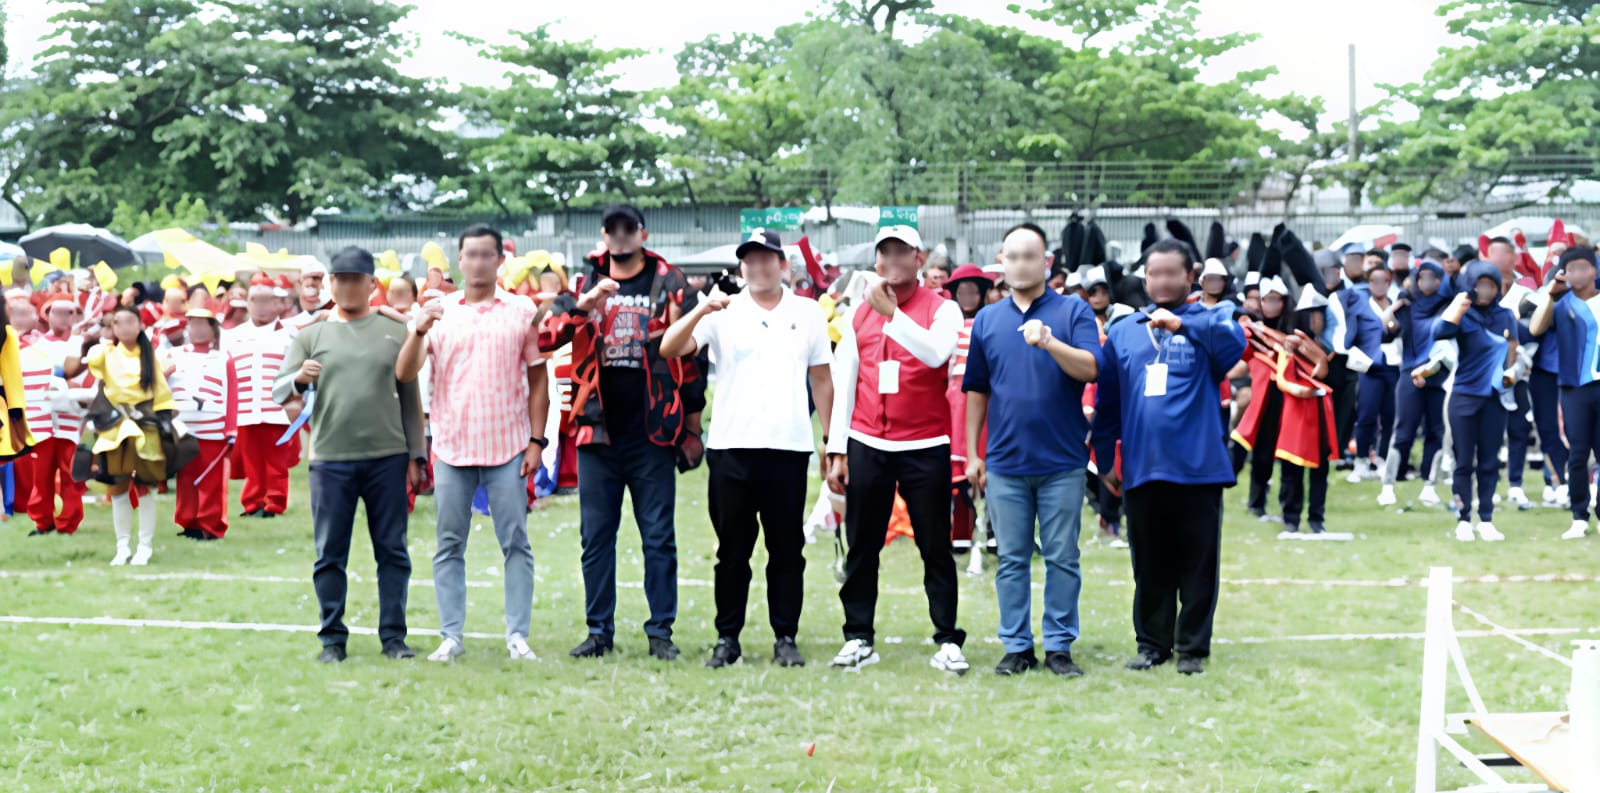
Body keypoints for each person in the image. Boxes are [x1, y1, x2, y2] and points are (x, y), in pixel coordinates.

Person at [659, 227, 833, 669]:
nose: (758, 267)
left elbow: (821, 378)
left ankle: (785, 636)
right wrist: (702, 308)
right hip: (731, 447)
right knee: (732, 552)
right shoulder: (723, 309)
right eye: (750, 260)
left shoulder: (807, 311)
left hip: (787, 447)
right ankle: (727, 637)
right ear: (742, 266)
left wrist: (831, 439)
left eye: (766, 259)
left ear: (782, 265)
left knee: (786, 550)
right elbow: (670, 347)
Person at [537, 204, 702, 661]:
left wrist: (692, 426)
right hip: (597, 431)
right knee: (596, 539)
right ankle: (598, 632)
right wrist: (583, 305)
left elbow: (693, 357)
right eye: (613, 229)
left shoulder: (670, 281)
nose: (621, 236)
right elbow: (546, 337)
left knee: (658, 538)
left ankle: (660, 633)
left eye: (629, 228)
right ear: (604, 235)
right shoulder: (584, 281)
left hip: (653, 432)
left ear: (643, 234)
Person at [395, 225, 550, 664]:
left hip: (508, 444)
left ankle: (517, 635)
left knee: (515, 542)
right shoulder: (438, 310)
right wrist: (418, 330)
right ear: (459, 261)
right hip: (452, 444)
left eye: (487, 255)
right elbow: (405, 373)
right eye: (471, 255)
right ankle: (451, 635)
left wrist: (536, 441)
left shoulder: (522, 310)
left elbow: (538, 379)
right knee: (449, 544)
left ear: (500, 260)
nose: (478, 263)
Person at [1091, 239, 1246, 676]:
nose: (1160, 281)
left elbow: (1232, 350)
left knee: (1198, 562)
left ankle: (1192, 647)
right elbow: (1108, 401)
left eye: (1170, 273)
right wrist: (1105, 458)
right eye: (1153, 273)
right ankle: (1152, 644)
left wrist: (1181, 325)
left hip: (1198, 466)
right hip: (1143, 465)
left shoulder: (1212, 319)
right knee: (1149, 562)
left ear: (1189, 276)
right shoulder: (1124, 330)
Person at [825, 224, 969, 674]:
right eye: (885, 253)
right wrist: (836, 448)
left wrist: (891, 313)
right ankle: (858, 636)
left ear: (919, 258)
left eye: (901, 252)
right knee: (862, 544)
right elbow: (846, 379)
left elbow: (935, 354)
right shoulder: (858, 312)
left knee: (934, 544)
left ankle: (947, 638)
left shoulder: (942, 308)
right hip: (868, 440)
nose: (892, 260)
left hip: (925, 442)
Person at [273, 247, 427, 664]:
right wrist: (298, 379)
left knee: (392, 550)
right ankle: (332, 639)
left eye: (354, 279)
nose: (346, 286)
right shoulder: (312, 334)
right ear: (330, 283)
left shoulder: (394, 330)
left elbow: (410, 395)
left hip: (388, 456)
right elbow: (278, 389)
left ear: (371, 284)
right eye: (338, 279)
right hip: (330, 459)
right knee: (329, 553)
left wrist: (417, 453)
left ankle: (394, 636)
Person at [962, 223, 1100, 676]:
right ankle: (1017, 645)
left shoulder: (1072, 311)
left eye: (1030, 256)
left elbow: (1091, 368)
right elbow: (977, 389)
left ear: (1047, 262)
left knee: (1062, 557)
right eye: (1013, 256)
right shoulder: (988, 320)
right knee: (1011, 559)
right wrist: (973, 452)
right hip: (1005, 462)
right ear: (1002, 261)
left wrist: (1050, 341)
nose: (1021, 264)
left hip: (1062, 460)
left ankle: (1059, 645)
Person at [75, 306, 181, 566]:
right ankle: (122, 546)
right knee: (118, 487)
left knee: (144, 487)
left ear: (140, 325)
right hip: (114, 427)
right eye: (117, 322)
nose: (123, 327)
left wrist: (166, 422)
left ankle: (144, 546)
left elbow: (162, 395)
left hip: (145, 426)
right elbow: (89, 358)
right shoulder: (105, 354)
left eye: (129, 321)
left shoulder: (151, 357)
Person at [1232, 278, 1337, 534]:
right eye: (1266, 300)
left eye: (1319, 314)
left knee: (1317, 463)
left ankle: (1316, 519)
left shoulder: (1315, 340)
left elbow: (1325, 373)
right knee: (1277, 456)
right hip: (1280, 400)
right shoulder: (1261, 332)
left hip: (1314, 404)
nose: (1315, 319)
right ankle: (1284, 515)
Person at [1433, 261, 1523, 542]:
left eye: (1490, 285)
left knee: (1489, 462)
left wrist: (1511, 374)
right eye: (1480, 284)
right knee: (1463, 462)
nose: (1485, 290)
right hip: (1464, 396)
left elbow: (1513, 350)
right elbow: (1439, 332)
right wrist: (1458, 306)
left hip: (1495, 398)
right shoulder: (1464, 313)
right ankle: (1463, 520)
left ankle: (1486, 519)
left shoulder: (1505, 316)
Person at [1529, 245, 1599, 539]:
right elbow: (1535, 329)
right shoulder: (1561, 304)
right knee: (1578, 454)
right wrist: (1550, 294)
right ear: (1564, 273)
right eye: (1571, 269)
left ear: (1594, 270)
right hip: (1574, 387)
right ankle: (1579, 516)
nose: (1578, 274)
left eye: (1583, 268)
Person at [1381, 258, 1455, 507]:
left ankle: (1429, 485)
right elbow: (1388, 330)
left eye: (1433, 277)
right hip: (1410, 373)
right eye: (1422, 277)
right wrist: (1393, 308)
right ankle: (1388, 485)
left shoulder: (1448, 304)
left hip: (1439, 374)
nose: (1427, 282)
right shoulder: (1408, 304)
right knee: (1403, 430)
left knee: (1436, 432)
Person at [223, 279, 297, 518]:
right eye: (255, 300)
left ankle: (274, 503)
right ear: (247, 302)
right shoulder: (232, 336)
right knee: (251, 461)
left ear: (276, 303)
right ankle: (253, 503)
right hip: (246, 408)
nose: (261, 306)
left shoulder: (289, 334)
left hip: (277, 409)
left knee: (276, 461)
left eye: (266, 300)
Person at [166, 308, 237, 540]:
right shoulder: (174, 355)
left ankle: (211, 525)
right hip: (182, 426)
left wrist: (231, 428)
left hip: (213, 426)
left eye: (202, 324)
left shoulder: (224, 358)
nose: (197, 329)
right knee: (186, 477)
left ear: (213, 329)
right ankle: (188, 522)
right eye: (193, 324)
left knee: (211, 479)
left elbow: (232, 396)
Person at [24, 295, 90, 536]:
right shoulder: (36, 346)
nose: (62, 317)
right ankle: (42, 522)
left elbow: (86, 378)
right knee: (41, 474)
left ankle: (68, 523)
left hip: (71, 417)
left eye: (68, 312)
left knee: (71, 473)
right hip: (42, 418)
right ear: (48, 315)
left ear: (75, 316)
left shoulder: (81, 344)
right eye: (57, 312)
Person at [944, 264, 994, 553]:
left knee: (991, 470)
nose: (967, 297)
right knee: (958, 476)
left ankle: (994, 535)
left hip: (985, 401)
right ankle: (961, 535)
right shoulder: (948, 324)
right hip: (954, 403)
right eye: (962, 292)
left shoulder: (990, 322)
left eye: (973, 292)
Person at [1345, 264, 1402, 482]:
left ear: (1389, 283)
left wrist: (1391, 323)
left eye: (1383, 281)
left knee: (1390, 416)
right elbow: (1352, 336)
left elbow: (1397, 331)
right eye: (1374, 281)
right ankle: (1360, 460)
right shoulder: (1361, 305)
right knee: (1366, 415)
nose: (1378, 285)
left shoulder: (1396, 305)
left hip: (1393, 365)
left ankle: (1382, 459)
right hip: (1369, 366)